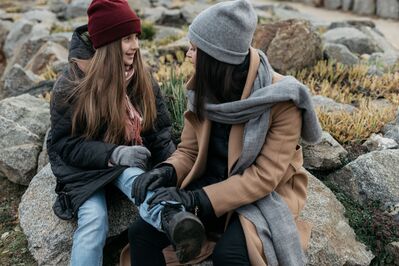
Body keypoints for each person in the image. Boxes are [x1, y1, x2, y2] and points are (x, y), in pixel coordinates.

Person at [126, 0, 323, 265]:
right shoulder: (202, 87)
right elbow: (189, 151)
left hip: (261, 197)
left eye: (194, 49)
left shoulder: (281, 100)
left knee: (230, 255)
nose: (187, 54)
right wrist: (166, 171)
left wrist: (194, 200)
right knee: (141, 232)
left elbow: (264, 177)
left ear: (215, 58)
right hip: (209, 185)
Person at [46, 0, 176, 265]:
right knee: (94, 220)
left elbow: (159, 132)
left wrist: (175, 171)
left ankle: (178, 222)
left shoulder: (140, 76)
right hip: (82, 169)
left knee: (136, 180)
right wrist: (115, 153)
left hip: (124, 164)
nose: (135, 46)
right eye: (127, 38)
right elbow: (65, 145)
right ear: (107, 43)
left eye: (136, 37)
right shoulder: (71, 83)